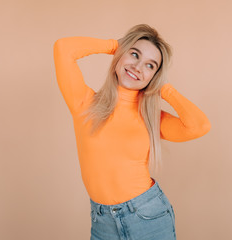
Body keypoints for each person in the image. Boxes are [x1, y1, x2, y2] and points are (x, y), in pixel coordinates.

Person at [53, 24, 211, 240]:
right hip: (102, 222)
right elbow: (63, 48)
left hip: (147, 217)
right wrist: (115, 46)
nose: (137, 67)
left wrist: (164, 88)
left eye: (150, 65)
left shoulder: (152, 118)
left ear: (153, 76)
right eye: (134, 54)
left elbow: (199, 126)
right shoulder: (85, 103)